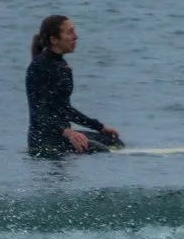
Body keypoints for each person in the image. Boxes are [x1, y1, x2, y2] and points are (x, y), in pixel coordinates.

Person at [25, 14, 121, 155]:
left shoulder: (62, 66)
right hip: (44, 140)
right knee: (103, 152)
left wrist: (99, 127)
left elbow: (65, 109)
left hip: (62, 135)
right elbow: (40, 112)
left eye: (74, 31)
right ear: (54, 40)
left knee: (115, 142)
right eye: (69, 32)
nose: (76, 37)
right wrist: (69, 133)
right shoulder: (39, 67)